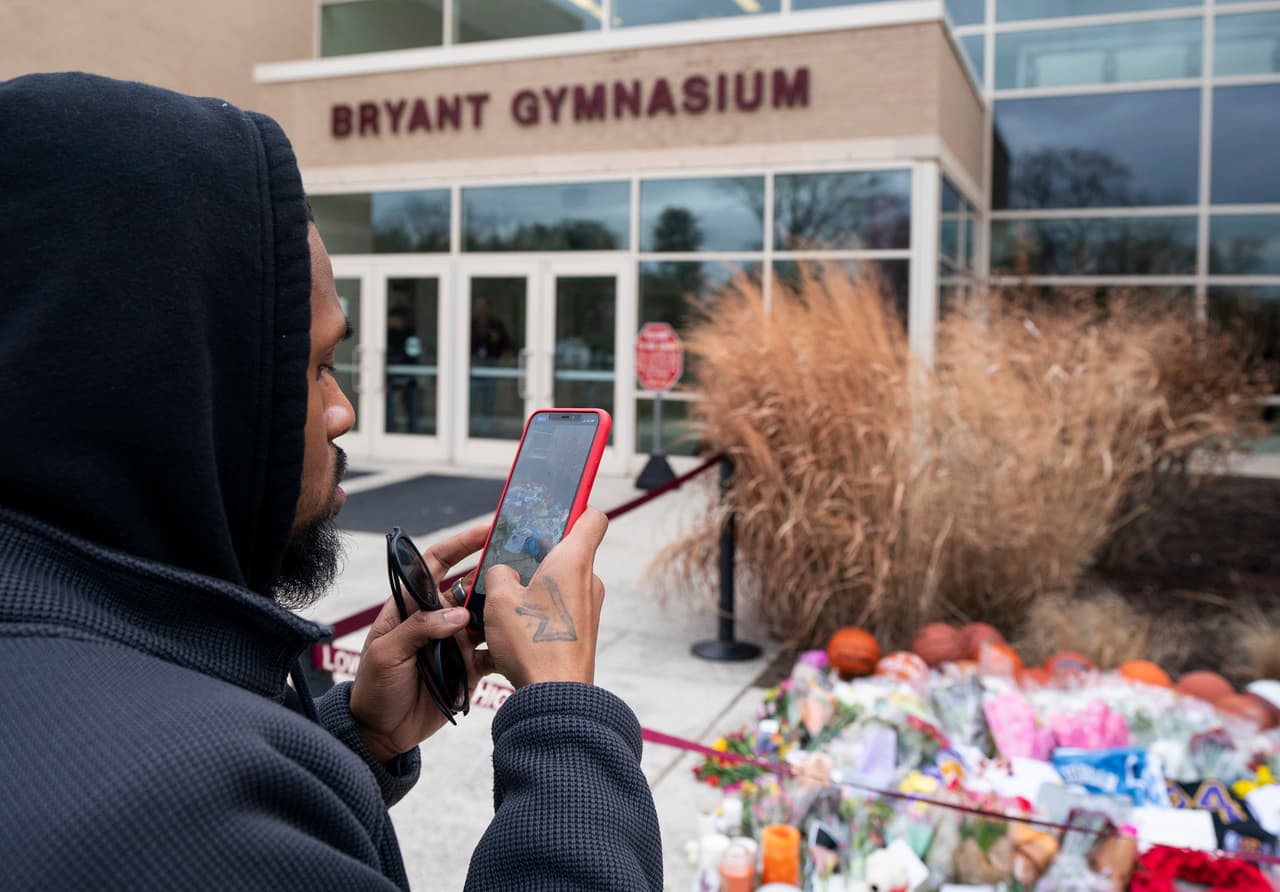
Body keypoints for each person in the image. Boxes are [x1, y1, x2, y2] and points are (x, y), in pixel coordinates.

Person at [0, 72, 662, 891]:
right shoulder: (181, 812)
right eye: (314, 368)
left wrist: (350, 737)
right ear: (166, 392)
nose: (343, 411)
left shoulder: (85, 666)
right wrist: (564, 716)